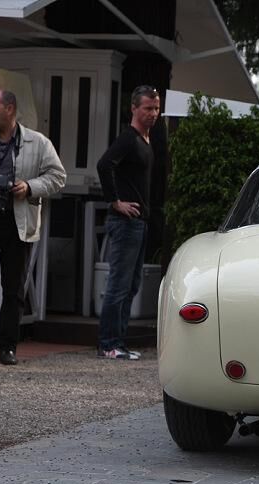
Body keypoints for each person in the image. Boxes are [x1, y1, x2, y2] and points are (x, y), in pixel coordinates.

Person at [0, 89, 66, 365]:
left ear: (10, 109)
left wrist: (30, 187)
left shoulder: (38, 142)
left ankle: (7, 346)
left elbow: (58, 177)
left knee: (13, 288)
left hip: (17, 222)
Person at [96, 85, 160, 360]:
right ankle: (109, 344)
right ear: (134, 108)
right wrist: (115, 202)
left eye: (156, 108)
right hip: (125, 222)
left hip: (138, 222)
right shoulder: (128, 138)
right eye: (148, 108)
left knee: (131, 285)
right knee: (118, 285)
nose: (153, 113)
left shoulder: (146, 139)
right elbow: (104, 165)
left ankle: (118, 342)